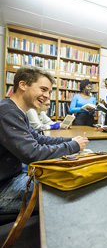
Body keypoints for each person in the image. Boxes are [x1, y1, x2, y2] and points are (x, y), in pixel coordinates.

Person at [0, 65, 88, 193]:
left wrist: (71, 140)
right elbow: (32, 153)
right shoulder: (8, 113)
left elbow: (37, 138)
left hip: (15, 174)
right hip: (5, 187)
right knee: (71, 184)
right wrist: (72, 146)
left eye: (49, 92)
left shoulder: (16, 111)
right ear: (23, 85)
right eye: (43, 89)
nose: (47, 96)